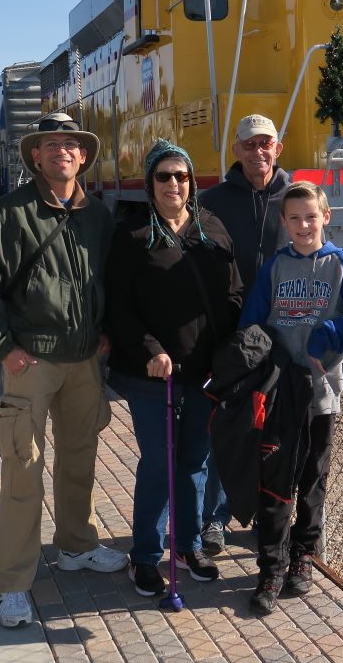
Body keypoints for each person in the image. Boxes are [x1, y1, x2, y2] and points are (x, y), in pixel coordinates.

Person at [0, 112, 122, 630]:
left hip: (84, 359)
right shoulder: (8, 214)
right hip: (33, 361)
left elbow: (112, 280)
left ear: (83, 156)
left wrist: (107, 331)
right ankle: (12, 583)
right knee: (23, 472)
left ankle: (76, 545)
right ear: (36, 155)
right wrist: (1, 346)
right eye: (52, 144)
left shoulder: (98, 216)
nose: (62, 152)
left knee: (80, 459)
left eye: (71, 145)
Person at [106, 140, 243, 598]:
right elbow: (118, 307)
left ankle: (187, 544)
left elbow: (234, 294)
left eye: (181, 176)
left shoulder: (211, 228)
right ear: (150, 182)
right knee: (159, 463)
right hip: (152, 375)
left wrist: (232, 349)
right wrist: (150, 348)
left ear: (191, 182)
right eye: (163, 176)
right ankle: (145, 554)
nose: (173, 184)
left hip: (204, 373)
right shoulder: (132, 236)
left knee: (193, 463)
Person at [239, 181, 343, 615]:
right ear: (284, 222)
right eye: (295, 218)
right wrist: (264, 354)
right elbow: (252, 321)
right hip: (281, 391)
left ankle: (304, 553)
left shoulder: (341, 266)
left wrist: (328, 335)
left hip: (321, 393)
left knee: (314, 476)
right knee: (276, 478)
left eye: (311, 217)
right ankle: (271, 564)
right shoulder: (275, 268)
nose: (303, 225)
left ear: (326, 218)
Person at [196, 113, 291, 555]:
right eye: (249, 144)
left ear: (278, 147)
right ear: (236, 151)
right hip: (232, 337)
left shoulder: (296, 197)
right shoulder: (212, 201)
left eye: (265, 143)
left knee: (274, 433)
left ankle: (264, 517)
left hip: (283, 336)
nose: (258, 151)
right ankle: (213, 519)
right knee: (227, 428)